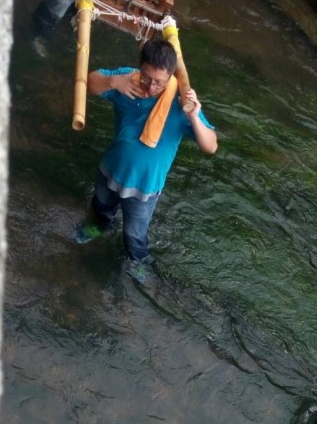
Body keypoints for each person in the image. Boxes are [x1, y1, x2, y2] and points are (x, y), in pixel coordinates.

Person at [76, 36, 217, 265]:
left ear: (171, 75)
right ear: (139, 66)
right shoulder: (127, 79)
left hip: (145, 188)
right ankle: (97, 227)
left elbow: (210, 146)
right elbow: (89, 83)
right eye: (146, 78)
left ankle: (138, 263)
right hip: (110, 170)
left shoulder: (182, 104)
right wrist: (113, 82)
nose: (151, 87)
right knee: (101, 208)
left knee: (134, 235)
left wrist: (194, 117)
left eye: (159, 82)